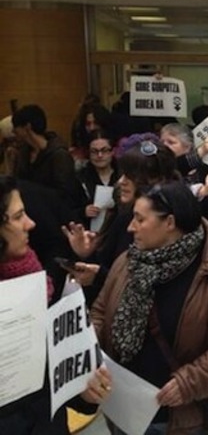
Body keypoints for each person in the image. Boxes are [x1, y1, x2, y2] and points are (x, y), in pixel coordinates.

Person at [91, 181, 208, 434]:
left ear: (169, 223)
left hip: (197, 414)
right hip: (131, 409)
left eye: (140, 219)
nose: (130, 227)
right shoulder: (128, 261)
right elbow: (101, 311)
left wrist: (191, 382)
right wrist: (92, 355)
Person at [0, 175, 109, 434]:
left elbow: (48, 374)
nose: (31, 223)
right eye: (17, 217)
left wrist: (83, 392)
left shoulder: (32, 277)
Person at [62, 135, 181, 303]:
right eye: (122, 174)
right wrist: (87, 253)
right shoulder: (122, 216)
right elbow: (107, 269)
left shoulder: (175, 224)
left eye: (130, 176)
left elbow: (141, 286)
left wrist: (99, 276)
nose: (121, 182)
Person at [11, 104, 79, 212]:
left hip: (54, 214)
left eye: (16, 128)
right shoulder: (23, 153)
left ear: (27, 127)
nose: (13, 132)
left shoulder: (59, 155)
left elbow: (65, 193)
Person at [75, 129, 120, 228]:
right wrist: (83, 211)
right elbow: (67, 208)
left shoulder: (122, 176)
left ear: (112, 152)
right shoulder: (79, 178)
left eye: (104, 150)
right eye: (94, 151)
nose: (100, 155)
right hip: (90, 232)